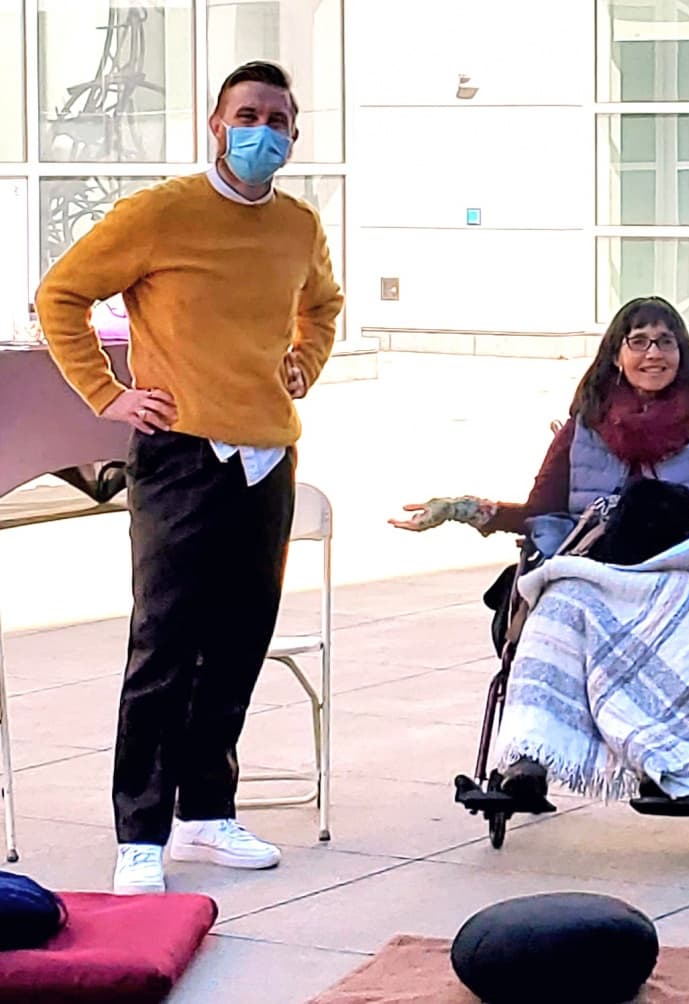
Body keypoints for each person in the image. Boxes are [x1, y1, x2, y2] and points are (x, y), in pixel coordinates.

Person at [35, 60, 344, 894]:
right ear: (215, 124)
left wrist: (304, 362)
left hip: (268, 455)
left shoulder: (297, 226)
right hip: (179, 454)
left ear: (294, 136)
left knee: (240, 642)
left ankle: (208, 815)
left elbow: (324, 304)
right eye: (248, 115)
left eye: (279, 120)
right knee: (164, 645)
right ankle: (141, 832)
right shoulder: (159, 214)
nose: (263, 132)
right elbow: (60, 295)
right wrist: (109, 394)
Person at [392, 296, 689, 802]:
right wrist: (463, 508)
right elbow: (541, 510)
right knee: (553, 612)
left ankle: (673, 768)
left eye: (666, 341)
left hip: (681, 569)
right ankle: (526, 765)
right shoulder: (586, 424)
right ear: (616, 354)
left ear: (682, 351)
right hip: (593, 569)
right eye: (640, 341)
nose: (654, 353)